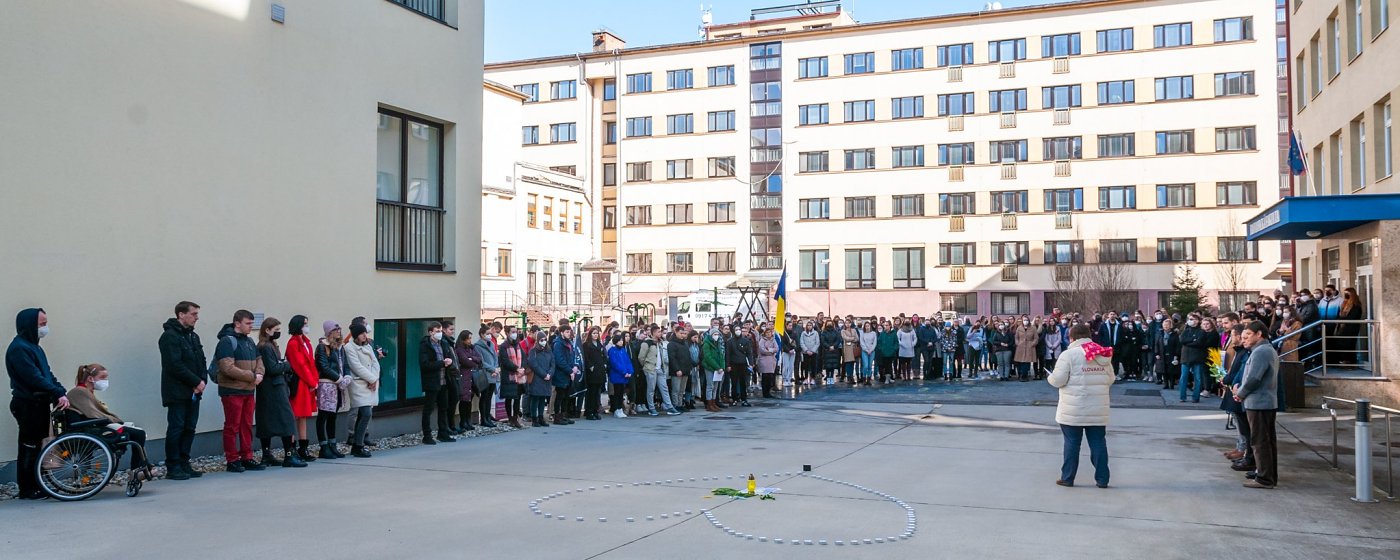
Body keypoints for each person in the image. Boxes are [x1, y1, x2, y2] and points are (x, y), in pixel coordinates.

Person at [7, 308, 70, 498]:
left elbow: (47, 374)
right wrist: (56, 392)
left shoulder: (35, 347)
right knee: (29, 447)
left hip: (38, 402)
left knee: (39, 446)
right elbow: (33, 377)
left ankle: (38, 484)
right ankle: (27, 488)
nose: (45, 328)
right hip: (28, 404)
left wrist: (60, 390)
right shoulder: (19, 349)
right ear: (29, 325)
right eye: (41, 324)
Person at [1048, 323, 1114, 489]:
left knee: (1071, 443)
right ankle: (1102, 479)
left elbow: (1058, 380)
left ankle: (1068, 477)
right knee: (1098, 443)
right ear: (1089, 336)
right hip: (1097, 408)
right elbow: (1110, 379)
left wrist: (1050, 377)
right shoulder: (1102, 354)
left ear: (1071, 338)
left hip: (1073, 408)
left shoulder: (1068, 355)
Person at [67, 364, 149, 475]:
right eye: (102, 377)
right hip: (93, 428)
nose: (105, 381)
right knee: (139, 434)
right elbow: (94, 414)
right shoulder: (80, 392)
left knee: (137, 432)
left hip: (94, 426)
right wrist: (113, 420)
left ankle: (144, 466)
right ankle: (137, 469)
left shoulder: (84, 391)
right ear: (90, 378)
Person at [157, 302, 206, 481]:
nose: (196, 317)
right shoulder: (169, 337)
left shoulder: (193, 336)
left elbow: (201, 360)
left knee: (190, 428)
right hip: (177, 391)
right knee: (177, 427)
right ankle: (174, 465)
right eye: (193, 314)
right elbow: (174, 365)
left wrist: (202, 381)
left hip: (195, 391)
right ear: (181, 314)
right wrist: (195, 381)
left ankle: (185, 461)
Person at [213, 310, 266, 472]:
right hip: (232, 390)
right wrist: (251, 376)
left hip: (248, 391)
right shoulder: (226, 342)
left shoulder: (249, 341)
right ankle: (232, 459)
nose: (251, 327)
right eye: (248, 324)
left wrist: (259, 373)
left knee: (247, 425)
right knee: (232, 426)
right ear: (237, 324)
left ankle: (247, 456)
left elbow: (259, 360)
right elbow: (227, 367)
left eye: (252, 323)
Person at [1233, 321, 1281, 489]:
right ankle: (1266, 472)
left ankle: (1265, 478)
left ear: (1259, 334)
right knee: (1265, 440)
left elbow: (1254, 378)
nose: (1244, 339)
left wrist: (1240, 393)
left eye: (1248, 336)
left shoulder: (1261, 352)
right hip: (1261, 401)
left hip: (1259, 402)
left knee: (1260, 440)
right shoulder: (1263, 350)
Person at [254, 318, 304, 468]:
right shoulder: (265, 347)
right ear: (267, 330)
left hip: (271, 387)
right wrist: (287, 364)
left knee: (268, 420)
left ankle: (267, 455)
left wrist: (282, 364)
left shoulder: (268, 345)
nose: (278, 333)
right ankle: (288, 454)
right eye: (276, 330)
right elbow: (273, 368)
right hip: (274, 387)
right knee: (286, 419)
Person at [313, 321, 352, 456]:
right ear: (329, 332)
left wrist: (347, 376)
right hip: (327, 385)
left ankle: (332, 444)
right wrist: (339, 378)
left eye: (339, 329)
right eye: (336, 329)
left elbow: (345, 364)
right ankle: (323, 446)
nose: (339, 331)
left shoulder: (340, 348)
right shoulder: (322, 347)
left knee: (333, 416)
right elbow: (323, 366)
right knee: (323, 415)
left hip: (338, 385)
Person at [284, 315, 320, 462]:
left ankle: (303, 447)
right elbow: (300, 365)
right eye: (304, 324)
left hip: (307, 382)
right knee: (295, 414)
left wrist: (314, 380)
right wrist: (312, 381)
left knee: (303, 415)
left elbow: (310, 363)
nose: (307, 327)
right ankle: (292, 447)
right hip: (299, 382)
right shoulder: (293, 343)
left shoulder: (305, 342)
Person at [344, 323, 381, 458]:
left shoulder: (368, 346)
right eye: (361, 333)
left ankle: (357, 445)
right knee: (365, 412)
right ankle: (358, 444)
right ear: (355, 335)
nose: (365, 336)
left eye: (365, 333)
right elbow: (356, 366)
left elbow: (375, 363)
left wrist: (374, 379)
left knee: (364, 414)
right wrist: (371, 379)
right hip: (359, 384)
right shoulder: (349, 348)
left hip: (370, 382)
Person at [417, 321, 452, 444]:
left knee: (443, 408)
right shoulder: (425, 345)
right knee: (429, 409)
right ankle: (427, 435)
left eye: (440, 331)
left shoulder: (443, 343)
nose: (439, 334)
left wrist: (449, 362)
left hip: (443, 380)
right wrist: (442, 363)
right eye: (437, 331)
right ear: (430, 332)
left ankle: (443, 433)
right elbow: (425, 364)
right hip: (432, 382)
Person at [472, 325, 500, 428]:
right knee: (484, 397)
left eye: (490, 333)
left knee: (489, 398)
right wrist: (492, 369)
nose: (489, 335)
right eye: (487, 334)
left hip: (493, 374)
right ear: (481, 335)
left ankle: (488, 417)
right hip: (485, 375)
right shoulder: (477, 346)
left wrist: (496, 369)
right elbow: (481, 362)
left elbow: (495, 357)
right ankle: (483, 418)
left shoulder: (491, 344)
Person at [453, 331, 483, 431]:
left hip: (471, 378)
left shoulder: (471, 348)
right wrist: (473, 361)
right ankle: (463, 421)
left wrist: (472, 358)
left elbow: (479, 358)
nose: (470, 340)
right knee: (464, 400)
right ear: (463, 339)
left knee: (469, 400)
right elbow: (465, 361)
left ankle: (468, 421)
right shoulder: (459, 349)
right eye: (469, 338)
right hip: (464, 377)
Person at [551, 325, 581, 424]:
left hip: (568, 374)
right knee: (560, 396)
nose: (569, 334)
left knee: (566, 396)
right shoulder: (558, 344)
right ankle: (557, 417)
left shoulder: (569, 343)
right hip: (561, 374)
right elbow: (559, 360)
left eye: (569, 332)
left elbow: (572, 357)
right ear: (562, 332)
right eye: (567, 332)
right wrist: (570, 370)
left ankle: (564, 415)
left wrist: (575, 366)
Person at [438, 321, 464, 435]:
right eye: (450, 329)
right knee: (450, 402)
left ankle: (451, 425)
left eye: (453, 329)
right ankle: (448, 426)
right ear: (444, 330)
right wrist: (453, 370)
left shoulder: (449, 342)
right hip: (449, 376)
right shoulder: (444, 342)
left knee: (453, 401)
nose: (453, 332)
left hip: (453, 375)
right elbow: (447, 359)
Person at [526, 331, 555, 427]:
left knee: (543, 399)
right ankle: (534, 419)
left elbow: (553, 364)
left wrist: (550, 374)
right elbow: (534, 365)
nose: (544, 341)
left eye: (545, 340)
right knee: (535, 399)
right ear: (538, 340)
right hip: (537, 378)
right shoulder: (533, 351)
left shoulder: (549, 351)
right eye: (541, 340)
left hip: (547, 378)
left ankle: (541, 417)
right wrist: (544, 375)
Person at [497, 331, 525, 428]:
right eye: (512, 332)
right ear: (508, 333)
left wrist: (522, 368)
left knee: (517, 398)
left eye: (515, 332)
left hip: (519, 376)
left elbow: (524, 357)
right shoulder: (504, 346)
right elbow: (505, 361)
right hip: (509, 375)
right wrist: (516, 368)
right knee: (509, 398)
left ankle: (515, 418)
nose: (515, 334)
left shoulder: (518, 345)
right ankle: (510, 418)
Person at [581, 326, 608, 420]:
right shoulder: (586, 345)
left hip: (600, 370)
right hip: (592, 372)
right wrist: (590, 366)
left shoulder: (600, 344)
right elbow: (586, 358)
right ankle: (589, 412)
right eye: (594, 333)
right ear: (590, 334)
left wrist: (604, 364)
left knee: (597, 392)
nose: (596, 335)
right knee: (591, 393)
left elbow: (604, 355)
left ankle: (595, 411)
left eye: (597, 333)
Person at [727, 323, 756, 406]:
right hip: (733, 364)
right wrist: (728, 365)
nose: (738, 331)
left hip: (743, 364)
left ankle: (744, 399)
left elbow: (749, 353)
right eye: (736, 330)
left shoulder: (746, 341)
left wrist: (751, 363)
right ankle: (734, 399)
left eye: (739, 329)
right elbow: (728, 354)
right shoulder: (730, 341)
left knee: (743, 382)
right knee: (734, 382)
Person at [607, 334, 635, 417]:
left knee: (621, 393)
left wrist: (630, 371)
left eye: (622, 340)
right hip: (617, 375)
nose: (621, 342)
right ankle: (616, 409)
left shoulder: (623, 350)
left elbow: (628, 362)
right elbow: (614, 363)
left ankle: (620, 409)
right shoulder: (612, 350)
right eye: (619, 340)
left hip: (624, 375)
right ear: (615, 341)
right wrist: (624, 372)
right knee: (617, 393)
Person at [667, 327, 694, 408]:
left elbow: (688, 356)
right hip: (677, 371)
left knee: (682, 390)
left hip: (685, 370)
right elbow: (672, 358)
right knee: (676, 389)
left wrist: (689, 368)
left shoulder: (685, 343)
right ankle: (675, 405)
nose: (683, 335)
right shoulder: (671, 344)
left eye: (684, 333)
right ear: (676, 332)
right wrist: (677, 369)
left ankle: (680, 404)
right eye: (681, 333)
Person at [757, 325, 780, 397]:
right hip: (764, 360)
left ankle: (768, 391)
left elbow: (776, 348)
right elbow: (762, 350)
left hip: (771, 361)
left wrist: (770, 349)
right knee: (765, 377)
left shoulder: (773, 340)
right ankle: (765, 393)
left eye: (769, 332)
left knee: (770, 377)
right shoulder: (762, 340)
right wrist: (770, 351)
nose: (768, 334)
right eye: (767, 333)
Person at [1013, 317, 1038, 382]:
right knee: (1020, 361)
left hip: (1029, 346)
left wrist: (1032, 344)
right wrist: (1017, 343)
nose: (1025, 321)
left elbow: (1036, 338)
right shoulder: (1019, 328)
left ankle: (1024, 375)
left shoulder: (1033, 328)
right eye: (1024, 320)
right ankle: (1020, 375)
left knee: (1027, 362)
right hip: (1020, 346)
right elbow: (1016, 337)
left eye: (1026, 320)